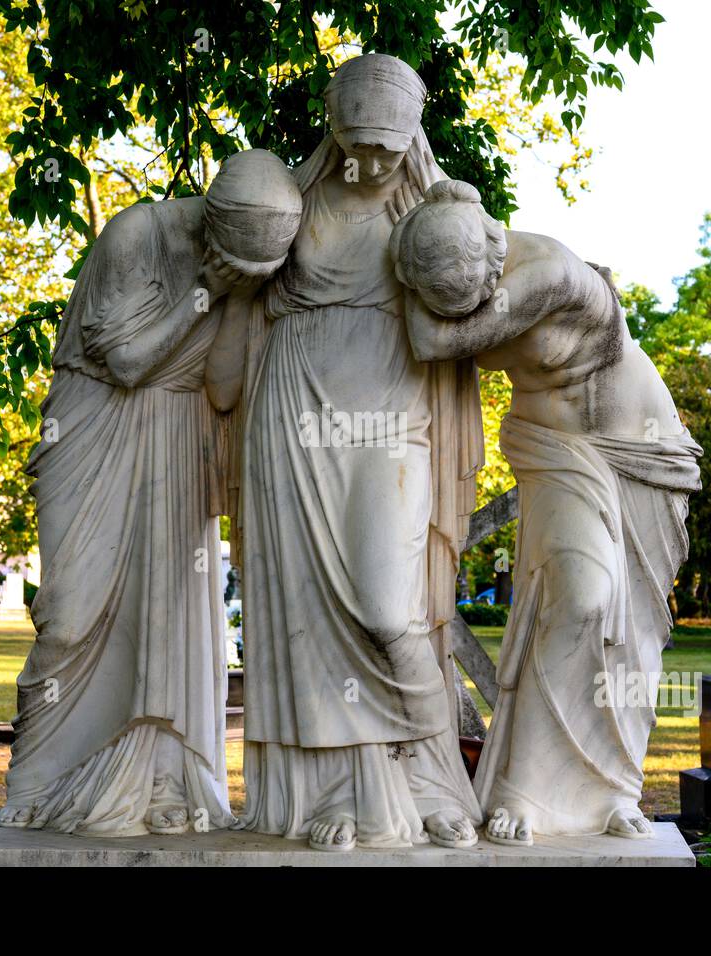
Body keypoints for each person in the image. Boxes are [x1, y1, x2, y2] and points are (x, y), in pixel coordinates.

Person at [0, 150, 302, 836]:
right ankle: (40, 782)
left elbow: (222, 388)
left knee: (165, 616)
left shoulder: (239, 280)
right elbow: (129, 362)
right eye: (238, 265)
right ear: (213, 224)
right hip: (95, 419)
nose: (245, 280)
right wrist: (208, 293)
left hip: (178, 435)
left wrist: (234, 299)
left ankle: (163, 780)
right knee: (69, 612)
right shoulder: (137, 235)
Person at [224, 55, 483, 851]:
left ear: (412, 139)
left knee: (386, 611)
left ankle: (430, 776)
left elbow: (477, 295)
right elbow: (234, 281)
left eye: (386, 148)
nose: (368, 163)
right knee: (301, 612)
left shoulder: (435, 209)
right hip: (290, 415)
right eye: (353, 145)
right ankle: (334, 793)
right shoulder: (290, 203)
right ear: (330, 133)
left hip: (388, 421)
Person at [391, 179, 703, 842]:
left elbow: (431, 339)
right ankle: (524, 789)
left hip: (642, 457)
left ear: (488, 253)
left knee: (632, 635)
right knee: (585, 599)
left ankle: (613, 794)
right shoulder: (475, 271)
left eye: (464, 292)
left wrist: (409, 279)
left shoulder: (549, 274)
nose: (456, 306)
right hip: (558, 454)